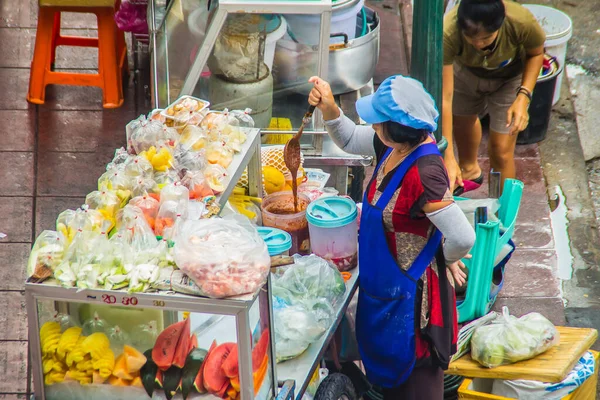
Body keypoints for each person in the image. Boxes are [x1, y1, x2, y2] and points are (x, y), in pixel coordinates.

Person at [308, 75, 476, 399]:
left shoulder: (425, 173)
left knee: (416, 388)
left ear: (396, 129)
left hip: (413, 307)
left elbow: (462, 237)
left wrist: (439, 260)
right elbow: (347, 137)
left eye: (376, 121)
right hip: (383, 295)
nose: (371, 126)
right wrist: (329, 107)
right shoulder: (391, 147)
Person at [442, 0, 545, 194]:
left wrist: (523, 97)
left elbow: (537, 54)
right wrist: (448, 155)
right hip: (465, 73)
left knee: (501, 151)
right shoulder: (448, 31)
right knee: (461, 122)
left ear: (500, 24)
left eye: (486, 37)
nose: (479, 44)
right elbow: (445, 98)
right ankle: (470, 170)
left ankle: (502, 213)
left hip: (509, 78)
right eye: (471, 38)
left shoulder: (520, 21)